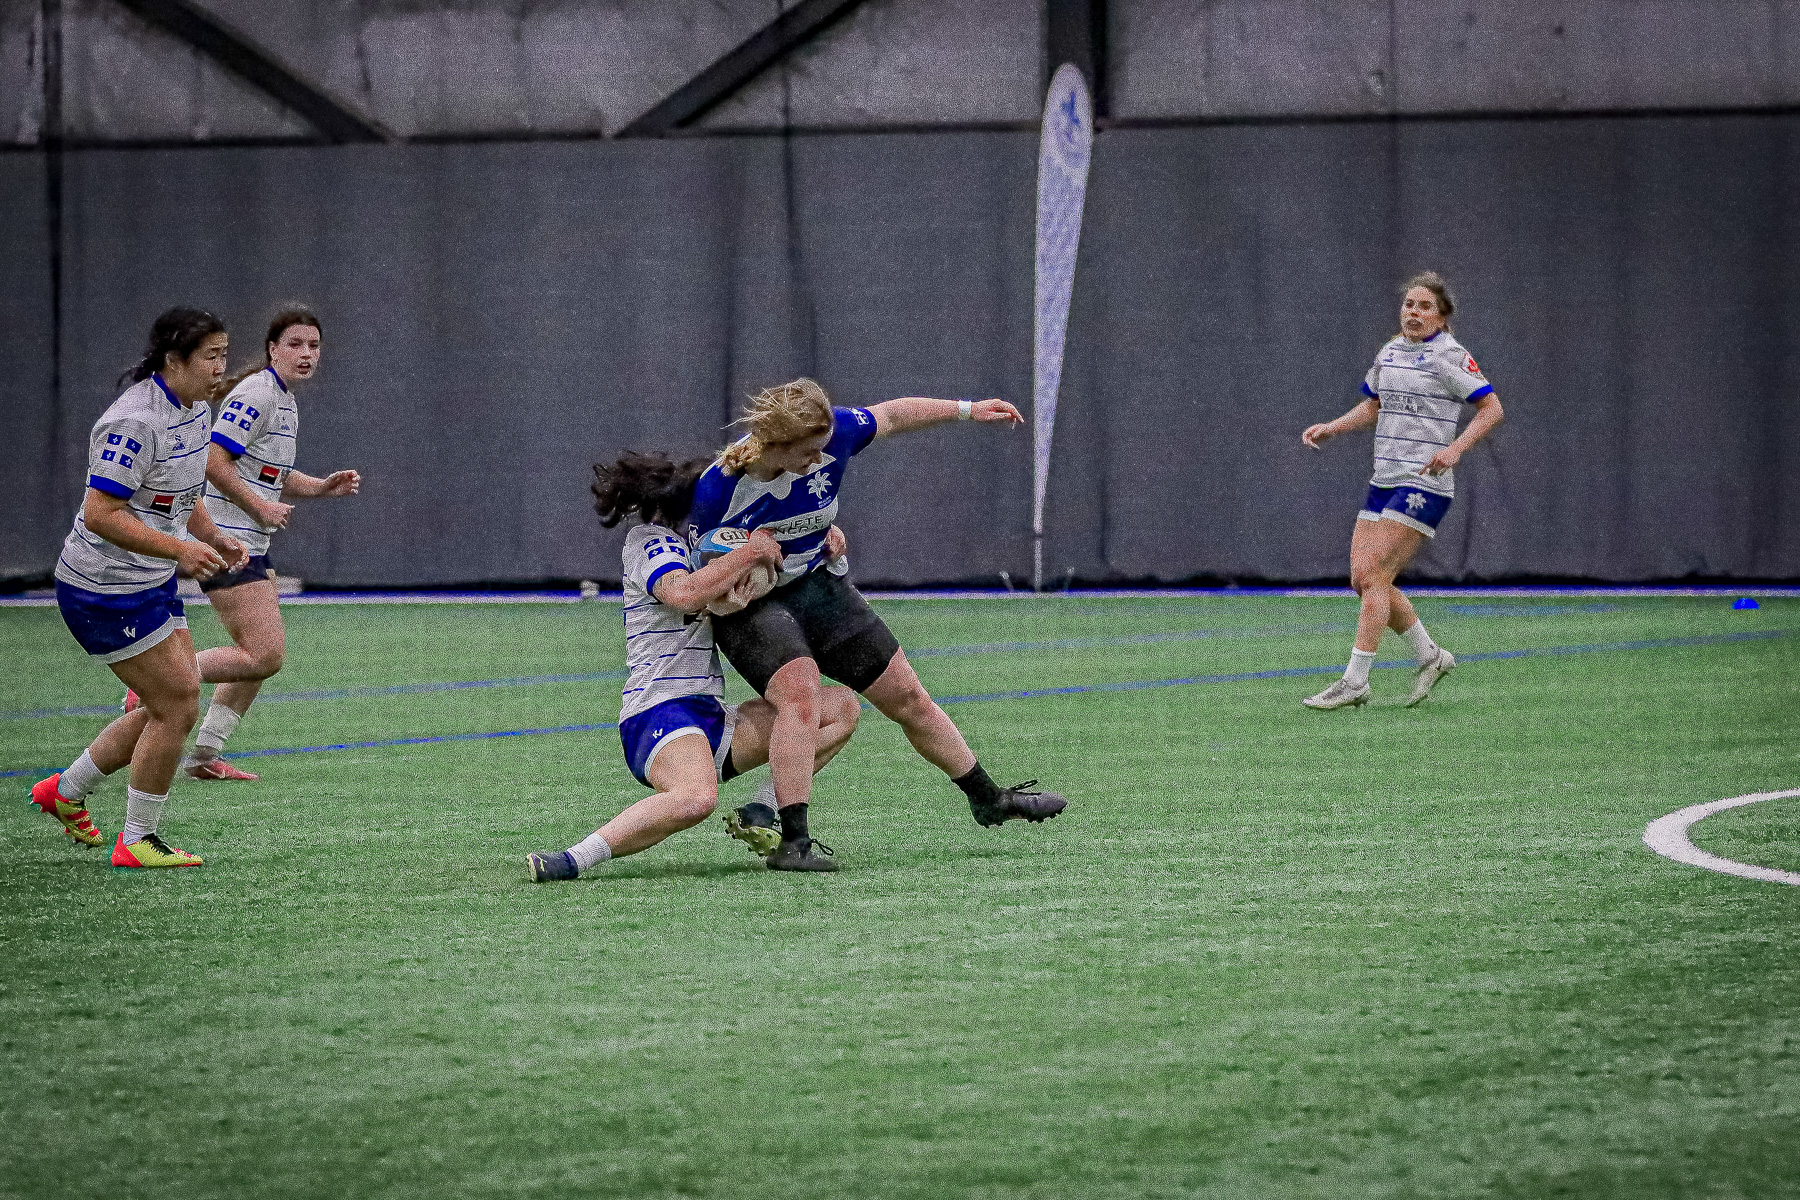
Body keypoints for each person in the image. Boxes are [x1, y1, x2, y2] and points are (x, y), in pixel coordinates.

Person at [686, 379, 1067, 866]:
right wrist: (741, 570)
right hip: (751, 610)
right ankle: (794, 844)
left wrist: (968, 409)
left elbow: (893, 413)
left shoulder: (833, 431)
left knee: (907, 696)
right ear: (776, 444)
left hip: (817, 585)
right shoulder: (719, 486)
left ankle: (988, 799)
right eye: (807, 453)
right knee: (801, 699)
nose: (819, 461)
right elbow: (701, 577)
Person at [527, 451, 863, 880]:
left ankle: (762, 810)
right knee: (696, 798)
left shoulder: (707, 541)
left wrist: (824, 542)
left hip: (712, 719)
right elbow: (682, 593)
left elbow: (755, 570)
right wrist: (748, 555)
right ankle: (573, 859)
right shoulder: (651, 541)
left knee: (837, 708)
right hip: (660, 710)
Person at [30, 307, 248, 868]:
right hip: (103, 588)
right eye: (211, 357)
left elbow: (180, 493)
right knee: (175, 703)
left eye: (225, 354)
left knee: (170, 700)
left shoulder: (197, 409)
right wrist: (180, 550)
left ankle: (65, 792)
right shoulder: (134, 420)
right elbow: (101, 512)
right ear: (173, 360)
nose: (222, 368)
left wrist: (214, 536)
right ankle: (136, 841)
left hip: (145, 581)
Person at [170, 306, 361, 779]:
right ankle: (158, 678)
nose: (306, 354)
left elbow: (264, 473)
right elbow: (212, 460)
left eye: (313, 345)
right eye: (295, 344)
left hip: (250, 538)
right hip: (226, 537)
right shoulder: (257, 392)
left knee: (256, 658)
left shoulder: (283, 398)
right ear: (272, 349)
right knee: (264, 655)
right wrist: (259, 506)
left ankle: (204, 756)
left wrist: (317, 487)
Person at [1300, 272, 1505, 709]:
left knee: (1374, 574)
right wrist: (1333, 427)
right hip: (1385, 478)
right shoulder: (1391, 351)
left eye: (1424, 307)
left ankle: (1356, 680)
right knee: (1363, 579)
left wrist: (1454, 450)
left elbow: (1491, 409)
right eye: (1408, 305)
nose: (1413, 313)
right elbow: (1373, 405)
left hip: (1424, 482)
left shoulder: (1449, 355)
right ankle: (1431, 656)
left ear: (1442, 317)